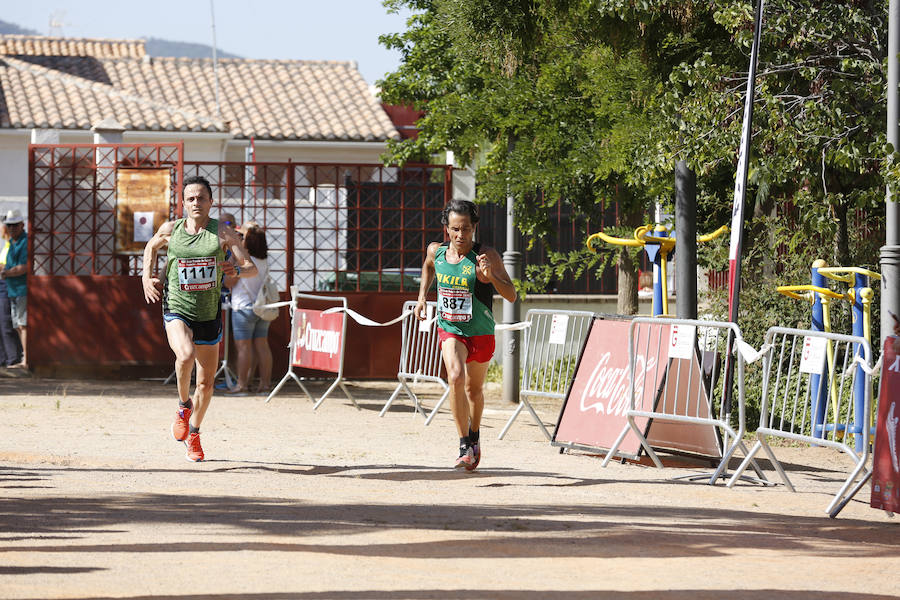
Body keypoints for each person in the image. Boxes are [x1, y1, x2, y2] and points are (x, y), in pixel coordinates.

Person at [142, 176, 257, 462]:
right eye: (191, 198)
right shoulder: (172, 229)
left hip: (208, 312)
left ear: (210, 202)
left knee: (206, 384)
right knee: (185, 354)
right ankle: (183, 405)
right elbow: (150, 247)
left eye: (201, 198)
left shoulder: (224, 233)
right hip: (177, 306)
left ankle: (194, 432)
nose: (196, 202)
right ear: (183, 203)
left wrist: (235, 271)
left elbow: (250, 267)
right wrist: (146, 277)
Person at [414, 199, 517, 470]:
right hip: (450, 329)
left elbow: (511, 295)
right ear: (446, 229)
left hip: (481, 333)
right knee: (456, 377)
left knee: (474, 390)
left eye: (467, 230)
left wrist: (491, 276)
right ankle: (463, 444)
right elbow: (428, 267)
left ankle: (474, 435)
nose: (461, 236)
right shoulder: (436, 251)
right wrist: (422, 297)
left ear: (474, 228)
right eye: (455, 230)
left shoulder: (486, 255)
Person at [225, 222, 273, 395]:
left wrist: (232, 254)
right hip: (262, 308)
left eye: (242, 236)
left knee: (243, 348)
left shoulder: (244, 259)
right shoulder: (264, 259)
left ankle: (242, 385)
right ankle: (265, 385)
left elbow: (228, 281)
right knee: (262, 346)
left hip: (243, 308)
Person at [0, 209, 28, 369]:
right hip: (12, 289)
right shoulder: (12, 243)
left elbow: (24, 267)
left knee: (23, 325)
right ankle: (24, 357)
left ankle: (26, 359)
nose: (11, 228)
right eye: (9, 225)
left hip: (21, 288)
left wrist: (6, 272)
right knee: (17, 325)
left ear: (22, 225)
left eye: (14, 225)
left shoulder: (24, 242)